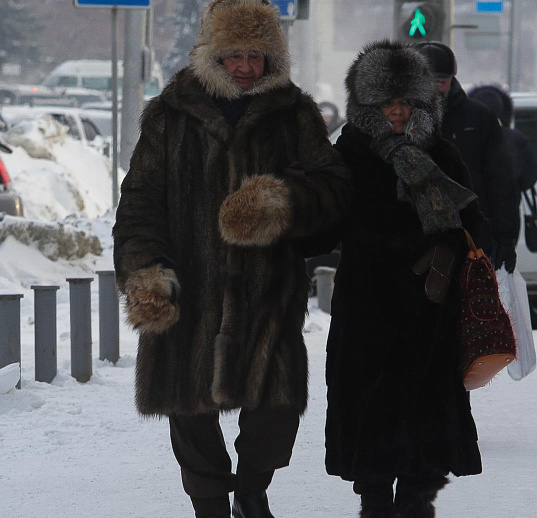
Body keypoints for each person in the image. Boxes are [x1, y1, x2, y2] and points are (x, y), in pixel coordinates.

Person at [111, 1, 352, 516]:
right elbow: (139, 203)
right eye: (234, 54)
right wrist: (145, 270)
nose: (245, 66)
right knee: (189, 406)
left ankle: (251, 490)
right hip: (188, 285)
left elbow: (335, 188)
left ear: (272, 58)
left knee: (274, 406)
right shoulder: (170, 114)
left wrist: (280, 201)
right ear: (212, 54)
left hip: (265, 289)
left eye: (256, 56)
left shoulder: (293, 112)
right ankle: (210, 505)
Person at [313, 40, 483, 518]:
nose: (398, 112)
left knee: (424, 414)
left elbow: (474, 225)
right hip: (367, 307)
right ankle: (373, 503)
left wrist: (445, 246)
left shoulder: (440, 154)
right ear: (368, 106)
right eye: (388, 103)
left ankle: (416, 502)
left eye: (407, 102)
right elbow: (322, 227)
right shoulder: (347, 154)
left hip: (429, 311)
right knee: (368, 408)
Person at [414, 42, 519, 273]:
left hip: (471, 237)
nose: (435, 88)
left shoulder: (479, 118)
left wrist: (506, 238)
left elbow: (501, 181)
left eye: (441, 80)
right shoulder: (401, 119)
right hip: (414, 238)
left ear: (452, 79)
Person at [468, 83, 537, 192]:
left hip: (473, 203)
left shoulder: (465, 136)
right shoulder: (515, 138)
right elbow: (530, 174)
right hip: (507, 204)